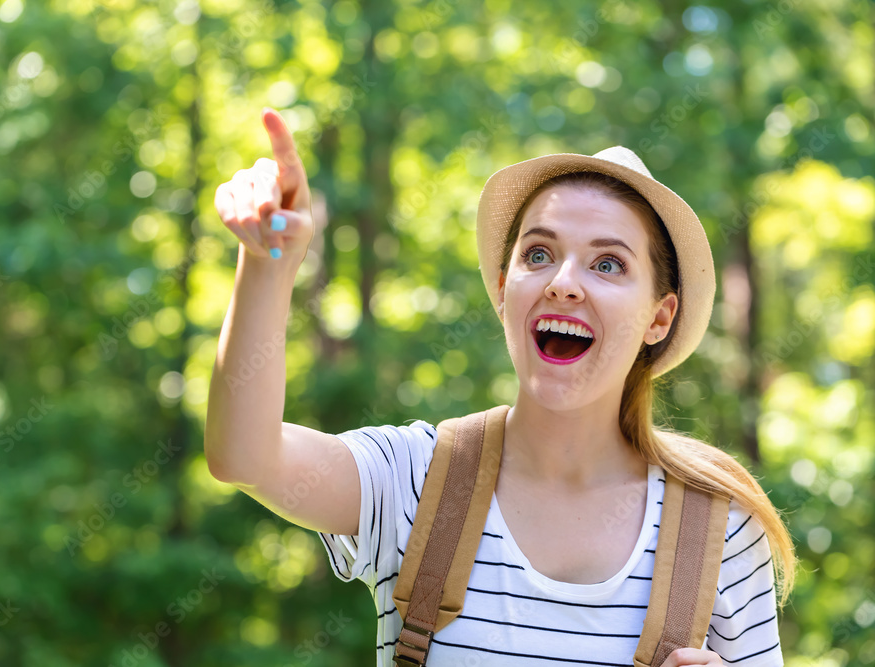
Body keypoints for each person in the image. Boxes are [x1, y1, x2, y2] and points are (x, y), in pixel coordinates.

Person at [207, 107, 796, 666]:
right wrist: (267, 266)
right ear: (502, 289)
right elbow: (245, 457)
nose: (564, 282)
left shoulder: (719, 528)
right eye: (538, 253)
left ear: (659, 317)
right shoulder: (416, 479)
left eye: (608, 264)